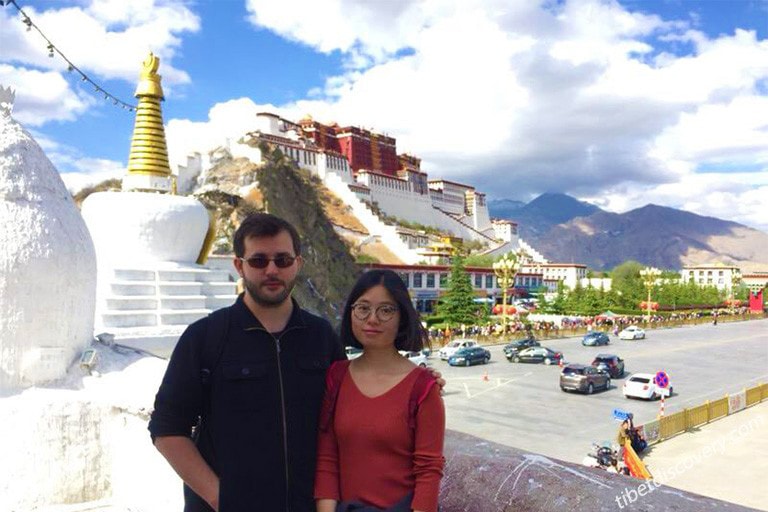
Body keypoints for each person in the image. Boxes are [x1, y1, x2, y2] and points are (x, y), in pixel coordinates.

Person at [148, 213, 345, 511]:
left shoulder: (321, 335)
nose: (271, 270)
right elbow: (167, 427)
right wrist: (220, 498)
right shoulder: (205, 336)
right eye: (258, 261)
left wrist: (412, 386)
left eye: (282, 260)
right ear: (239, 265)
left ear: (298, 264)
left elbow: (348, 412)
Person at [315, 270, 445, 512]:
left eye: (386, 310)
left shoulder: (423, 388)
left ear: (402, 318)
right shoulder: (337, 377)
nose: (372, 319)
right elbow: (327, 456)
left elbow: (428, 470)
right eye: (363, 308)